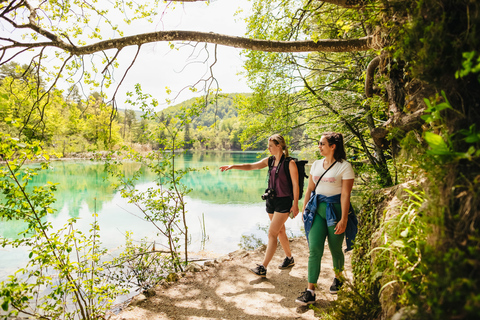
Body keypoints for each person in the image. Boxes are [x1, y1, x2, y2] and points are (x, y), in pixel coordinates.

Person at [220, 134, 300, 277]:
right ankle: (289, 258)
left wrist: (295, 204)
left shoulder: (290, 163)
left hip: (284, 202)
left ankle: (263, 267)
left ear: (279, 146)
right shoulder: (270, 161)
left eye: (270, 146)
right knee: (280, 231)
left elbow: (295, 184)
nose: (268, 148)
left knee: (272, 233)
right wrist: (233, 166)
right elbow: (251, 166)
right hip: (271, 200)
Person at [295, 132, 355, 305]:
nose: (319, 146)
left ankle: (339, 278)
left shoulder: (344, 167)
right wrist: (305, 209)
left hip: (335, 211)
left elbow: (345, 195)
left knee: (335, 249)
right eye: (319, 143)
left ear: (333, 146)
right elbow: (310, 190)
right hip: (316, 211)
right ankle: (310, 291)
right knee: (314, 250)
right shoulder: (316, 164)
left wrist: (344, 219)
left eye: (322, 143)